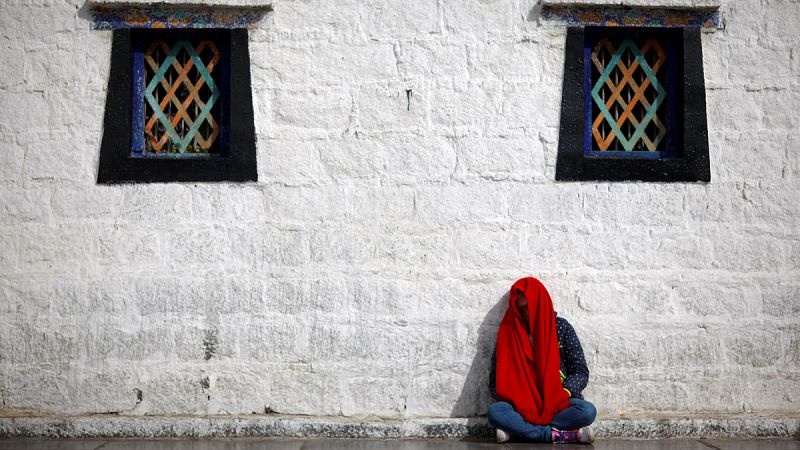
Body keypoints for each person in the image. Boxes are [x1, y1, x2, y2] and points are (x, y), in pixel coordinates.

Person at [487, 277, 596, 444]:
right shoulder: (508, 334)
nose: (527, 314)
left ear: (541, 304)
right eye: (522, 309)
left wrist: (563, 392)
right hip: (521, 407)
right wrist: (517, 397)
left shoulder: (561, 328)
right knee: (496, 412)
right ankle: (558, 435)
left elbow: (580, 371)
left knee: (587, 411)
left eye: (530, 308)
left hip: (557, 402)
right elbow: (495, 382)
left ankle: (518, 433)